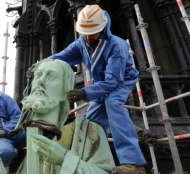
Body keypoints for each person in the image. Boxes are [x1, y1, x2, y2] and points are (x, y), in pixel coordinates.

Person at [46, 4, 146, 174]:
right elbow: (61, 57)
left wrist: (84, 93)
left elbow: (112, 82)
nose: (87, 37)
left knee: (112, 102)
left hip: (121, 80)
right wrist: (42, 64)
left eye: (91, 32)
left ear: (102, 27)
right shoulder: (81, 43)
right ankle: (89, 157)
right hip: (101, 83)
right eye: (84, 32)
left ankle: (134, 163)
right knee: (89, 120)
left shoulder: (117, 46)